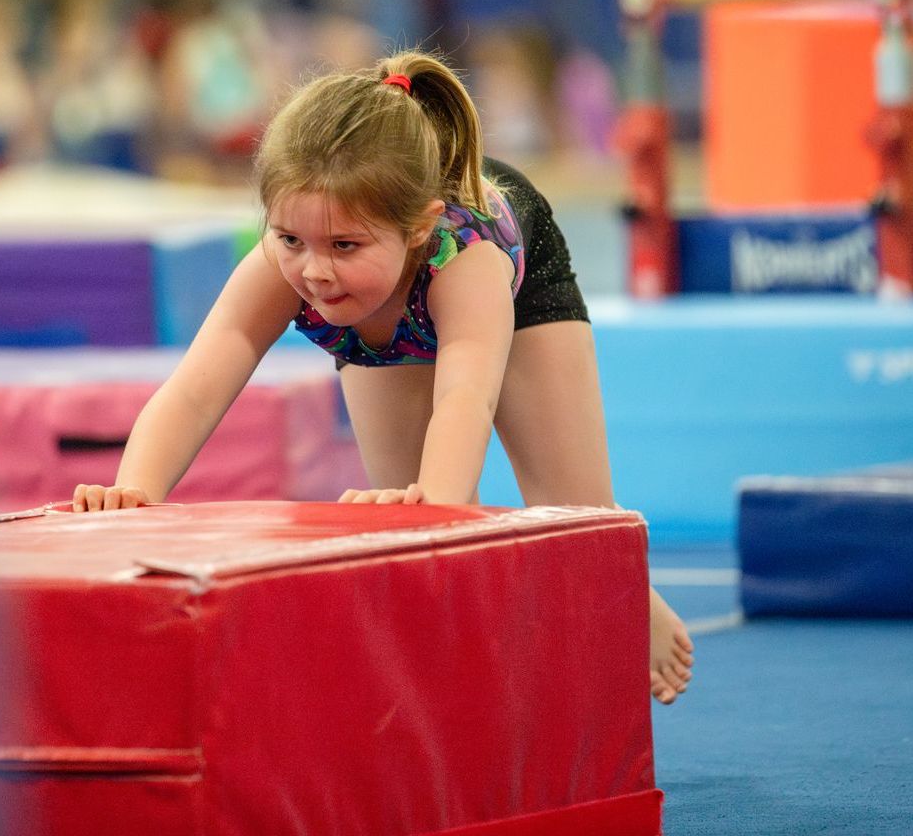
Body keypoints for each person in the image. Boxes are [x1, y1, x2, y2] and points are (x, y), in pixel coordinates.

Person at [74, 50, 696, 704]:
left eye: (343, 246)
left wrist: (439, 506)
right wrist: (135, 495)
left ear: (419, 226)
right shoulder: (291, 258)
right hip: (379, 318)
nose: (314, 271)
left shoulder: (467, 259)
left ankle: (630, 589)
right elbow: (197, 386)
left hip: (512, 276)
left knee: (577, 521)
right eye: (291, 240)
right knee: (403, 524)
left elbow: (466, 395)